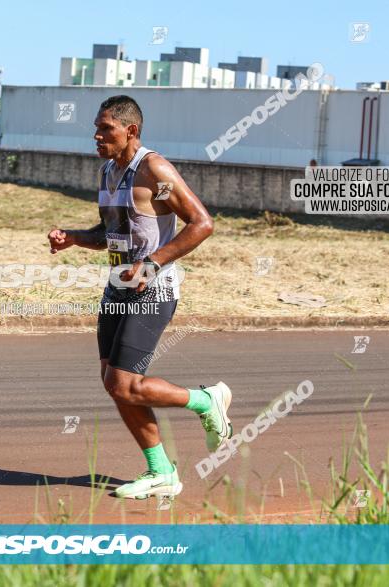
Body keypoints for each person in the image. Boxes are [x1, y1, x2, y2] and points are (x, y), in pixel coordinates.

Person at [47, 95, 234, 500]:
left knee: (124, 383)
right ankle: (162, 472)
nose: (97, 136)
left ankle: (206, 400)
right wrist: (74, 239)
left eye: (106, 129)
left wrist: (152, 263)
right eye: (96, 129)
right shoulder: (108, 171)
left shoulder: (154, 169)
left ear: (130, 130)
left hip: (154, 290)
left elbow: (202, 223)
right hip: (117, 287)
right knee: (114, 383)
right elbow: (109, 232)